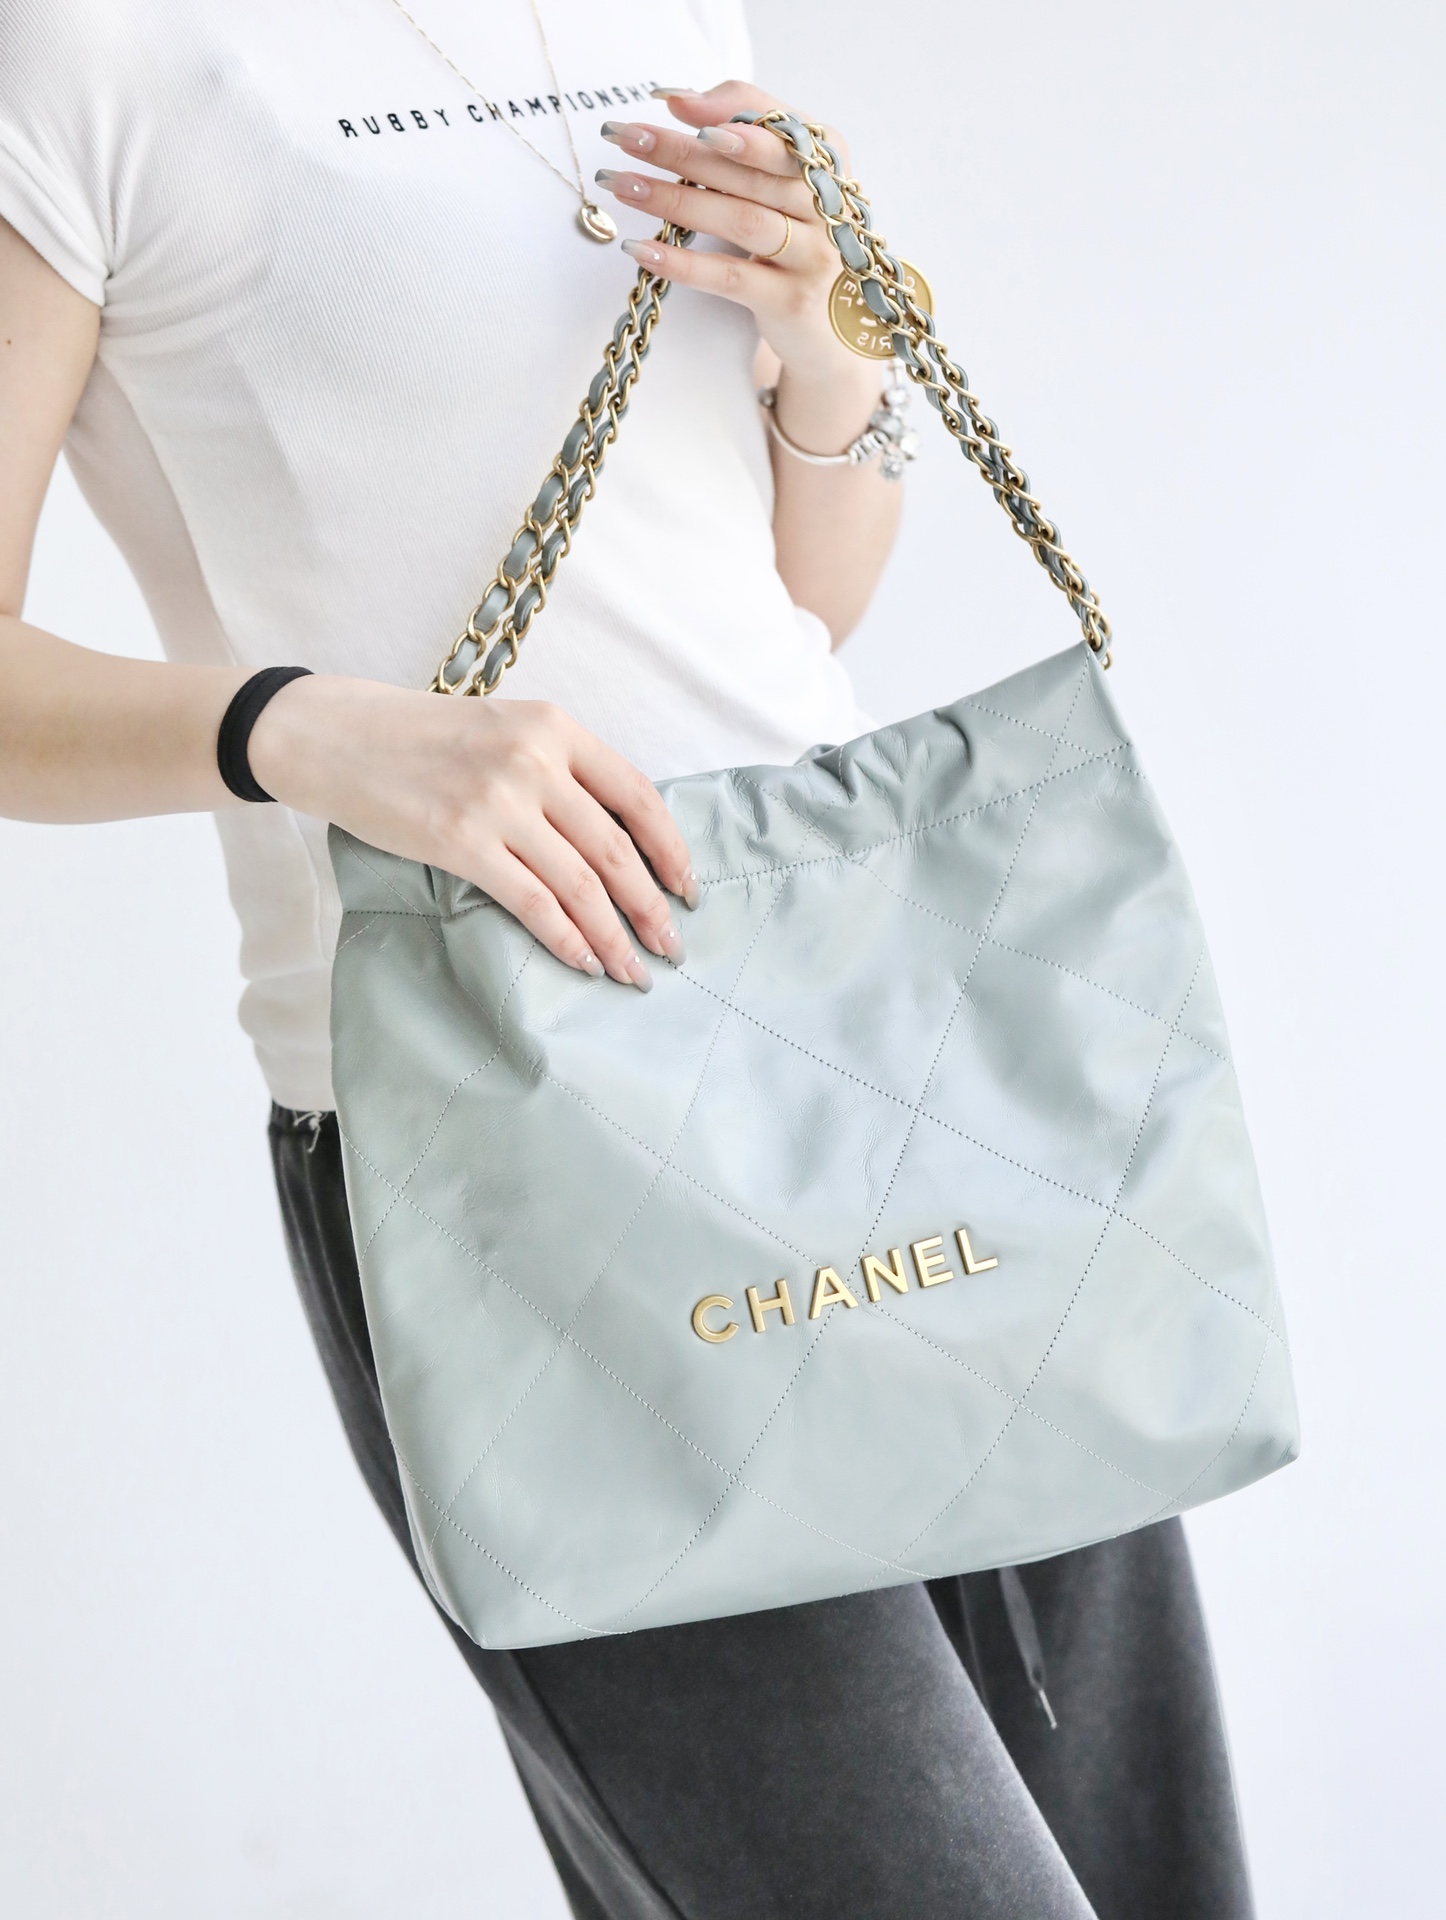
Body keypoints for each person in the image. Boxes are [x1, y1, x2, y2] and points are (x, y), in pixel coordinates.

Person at [0, 4, 1256, 1914]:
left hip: (890, 1034)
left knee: (1153, 1874)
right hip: (512, 1125)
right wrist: (309, 730)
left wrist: (824, 350)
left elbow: (790, 609)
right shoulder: (94, 51)